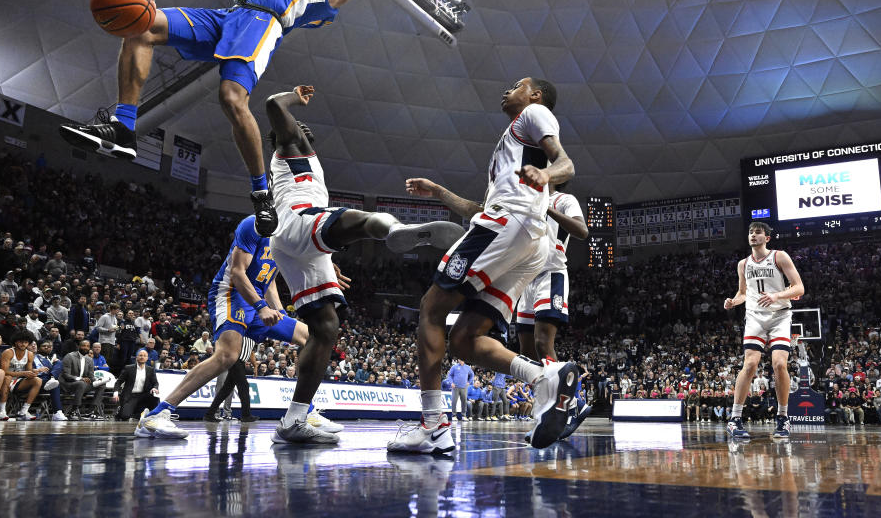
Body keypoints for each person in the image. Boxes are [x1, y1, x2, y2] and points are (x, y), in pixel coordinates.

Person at [59, 0, 383, 234]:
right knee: (141, 27)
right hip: (230, 15)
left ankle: (261, 194)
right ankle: (123, 128)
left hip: (262, 24)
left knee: (231, 98)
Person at [387, 78, 579, 454]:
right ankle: (546, 379)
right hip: (523, 238)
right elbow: (480, 209)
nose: (506, 91)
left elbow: (565, 164)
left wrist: (547, 175)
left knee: (430, 309)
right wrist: (440, 193)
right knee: (463, 340)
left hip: (510, 223)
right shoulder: (511, 151)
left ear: (535, 95)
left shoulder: (533, 115)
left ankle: (434, 427)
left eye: (516, 86)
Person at [264, 85, 464, 444]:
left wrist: (323, 254)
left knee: (325, 327)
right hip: (297, 221)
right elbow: (272, 104)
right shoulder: (290, 144)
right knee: (360, 219)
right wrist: (295, 97)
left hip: (293, 242)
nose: (302, 127)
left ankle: (295, 419)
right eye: (296, 124)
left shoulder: (291, 164)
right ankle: (400, 231)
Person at [134, 214, 311, 439]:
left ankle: (302, 414)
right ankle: (157, 414)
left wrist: (281, 314)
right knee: (227, 356)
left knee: (310, 338)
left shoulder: (287, 238)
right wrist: (261, 307)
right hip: (231, 293)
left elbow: (270, 281)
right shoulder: (255, 224)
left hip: (258, 300)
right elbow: (238, 273)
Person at [514, 182, 591, 439]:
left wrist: (547, 208)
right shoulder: (524, 198)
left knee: (542, 343)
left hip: (551, 273)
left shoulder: (564, 200)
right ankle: (570, 405)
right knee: (526, 354)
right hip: (525, 277)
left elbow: (581, 230)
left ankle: (566, 407)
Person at [724, 221, 805, 440]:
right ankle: (735, 419)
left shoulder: (780, 256)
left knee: (779, 364)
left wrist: (777, 295)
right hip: (755, 316)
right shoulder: (743, 264)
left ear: (767, 238)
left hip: (779, 315)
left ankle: (783, 417)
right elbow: (743, 292)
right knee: (750, 364)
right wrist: (734, 301)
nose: (753, 235)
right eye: (750, 232)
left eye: (758, 233)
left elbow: (799, 287)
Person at [0, 330, 42, 420]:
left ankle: (24, 411)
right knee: (7, 378)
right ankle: (2, 411)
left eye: (26, 342)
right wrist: (23, 373)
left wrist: (33, 373)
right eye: (21, 342)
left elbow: (28, 371)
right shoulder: (8, 352)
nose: (23, 344)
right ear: (16, 342)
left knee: (38, 380)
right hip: (2, 380)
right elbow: (3, 371)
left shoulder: (29, 354)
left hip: (17, 381)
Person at [60, 339, 105, 420]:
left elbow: (91, 376)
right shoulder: (69, 356)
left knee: (101, 384)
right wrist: (79, 379)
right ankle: (73, 411)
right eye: (84, 345)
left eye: (88, 346)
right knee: (81, 383)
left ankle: (90, 411)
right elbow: (65, 374)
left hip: (82, 385)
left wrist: (98, 380)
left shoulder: (89, 359)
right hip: (68, 384)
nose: (86, 348)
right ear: (79, 347)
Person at [113, 349, 160, 420]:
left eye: (144, 356)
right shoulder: (128, 368)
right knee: (125, 416)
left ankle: (138, 413)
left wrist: (155, 388)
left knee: (155, 399)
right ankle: (122, 410)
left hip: (143, 396)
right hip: (130, 395)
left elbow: (155, 383)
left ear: (147, 358)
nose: (142, 357)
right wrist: (115, 392)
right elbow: (118, 382)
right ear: (136, 357)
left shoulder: (150, 370)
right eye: (140, 355)